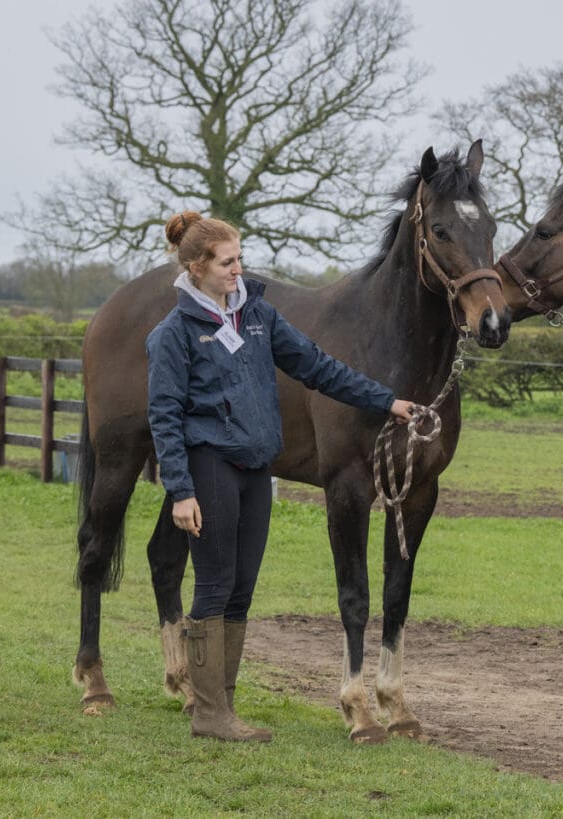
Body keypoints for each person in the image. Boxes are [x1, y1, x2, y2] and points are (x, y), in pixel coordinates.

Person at [147, 212, 415, 743]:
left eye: (240, 258)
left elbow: (318, 366)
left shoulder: (256, 315)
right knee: (216, 585)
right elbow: (164, 415)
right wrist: (180, 490)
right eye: (228, 262)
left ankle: (221, 704)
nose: (238, 269)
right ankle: (208, 713)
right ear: (198, 267)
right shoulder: (174, 334)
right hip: (209, 466)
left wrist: (386, 401)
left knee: (242, 589)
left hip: (255, 467)